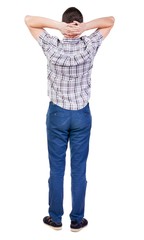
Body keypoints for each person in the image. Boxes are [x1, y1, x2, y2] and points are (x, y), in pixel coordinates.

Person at [24, 7, 115, 232]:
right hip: (82, 115)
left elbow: (29, 20)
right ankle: (77, 220)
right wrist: (85, 28)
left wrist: (59, 27)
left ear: (65, 24)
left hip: (57, 114)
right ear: (80, 24)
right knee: (79, 169)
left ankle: (55, 219)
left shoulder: (52, 46)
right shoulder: (89, 45)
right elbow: (110, 21)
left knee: (56, 169)